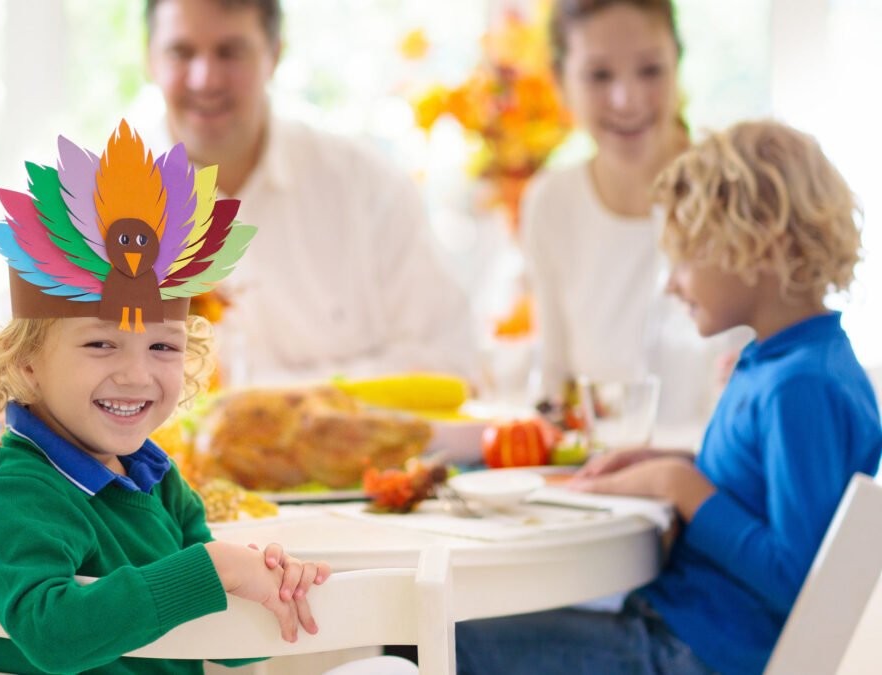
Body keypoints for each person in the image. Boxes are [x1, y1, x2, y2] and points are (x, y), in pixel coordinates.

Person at [0, 123, 414, 674]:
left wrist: (266, 588)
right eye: (101, 343)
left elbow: (224, 640)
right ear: (27, 364)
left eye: (163, 347)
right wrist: (212, 571)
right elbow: (51, 632)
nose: (136, 374)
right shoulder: (16, 496)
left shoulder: (159, 482)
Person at [456, 120, 882, 675]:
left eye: (683, 258)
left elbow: (796, 579)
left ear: (761, 248)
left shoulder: (799, 387)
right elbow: (757, 492)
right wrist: (670, 462)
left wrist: (677, 485)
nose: (671, 284)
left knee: (445, 641)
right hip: (682, 635)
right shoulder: (786, 363)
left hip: (692, 652)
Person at [142, 0, 476, 385]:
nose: (205, 79)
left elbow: (449, 360)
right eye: (180, 53)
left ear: (274, 54)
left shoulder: (368, 186)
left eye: (230, 52)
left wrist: (276, 406)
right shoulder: (96, 211)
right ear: (150, 60)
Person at [522, 0, 746, 435]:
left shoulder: (737, 190)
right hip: (606, 485)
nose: (627, 100)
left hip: (722, 484)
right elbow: (552, 380)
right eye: (599, 76)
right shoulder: (550, 202)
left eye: (650, 70)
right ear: (560, 81)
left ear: (678, 64)